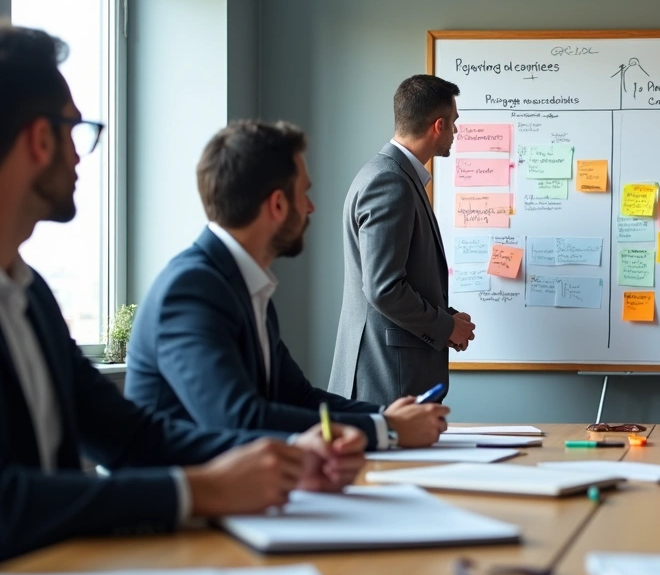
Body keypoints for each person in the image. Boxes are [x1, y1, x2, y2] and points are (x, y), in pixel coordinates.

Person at [0, 25, 366, 562]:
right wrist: (200, 490)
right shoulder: (192, 286)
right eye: (77, 132)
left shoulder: (31, 297)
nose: (82, 157)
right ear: (39, 138)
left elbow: (130, 437)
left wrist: (285, 460)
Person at [125, 121, 450, 449]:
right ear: (278, 205)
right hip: (188, 496)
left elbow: (298, 397)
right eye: (304, 193)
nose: (311, 207)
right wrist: (385, 429)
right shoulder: (192, 289)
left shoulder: (246, 286)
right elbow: (238, 419)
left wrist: (388, 416)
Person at [329, 74, 474, 405]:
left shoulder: (390, 175)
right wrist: (444, 326)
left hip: (386, 374)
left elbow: (398, 278)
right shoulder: (389, 182)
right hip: (386, 378)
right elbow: (384, 288)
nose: (455, 132)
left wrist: (447, 319)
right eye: (453, 123)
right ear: (437, 125)